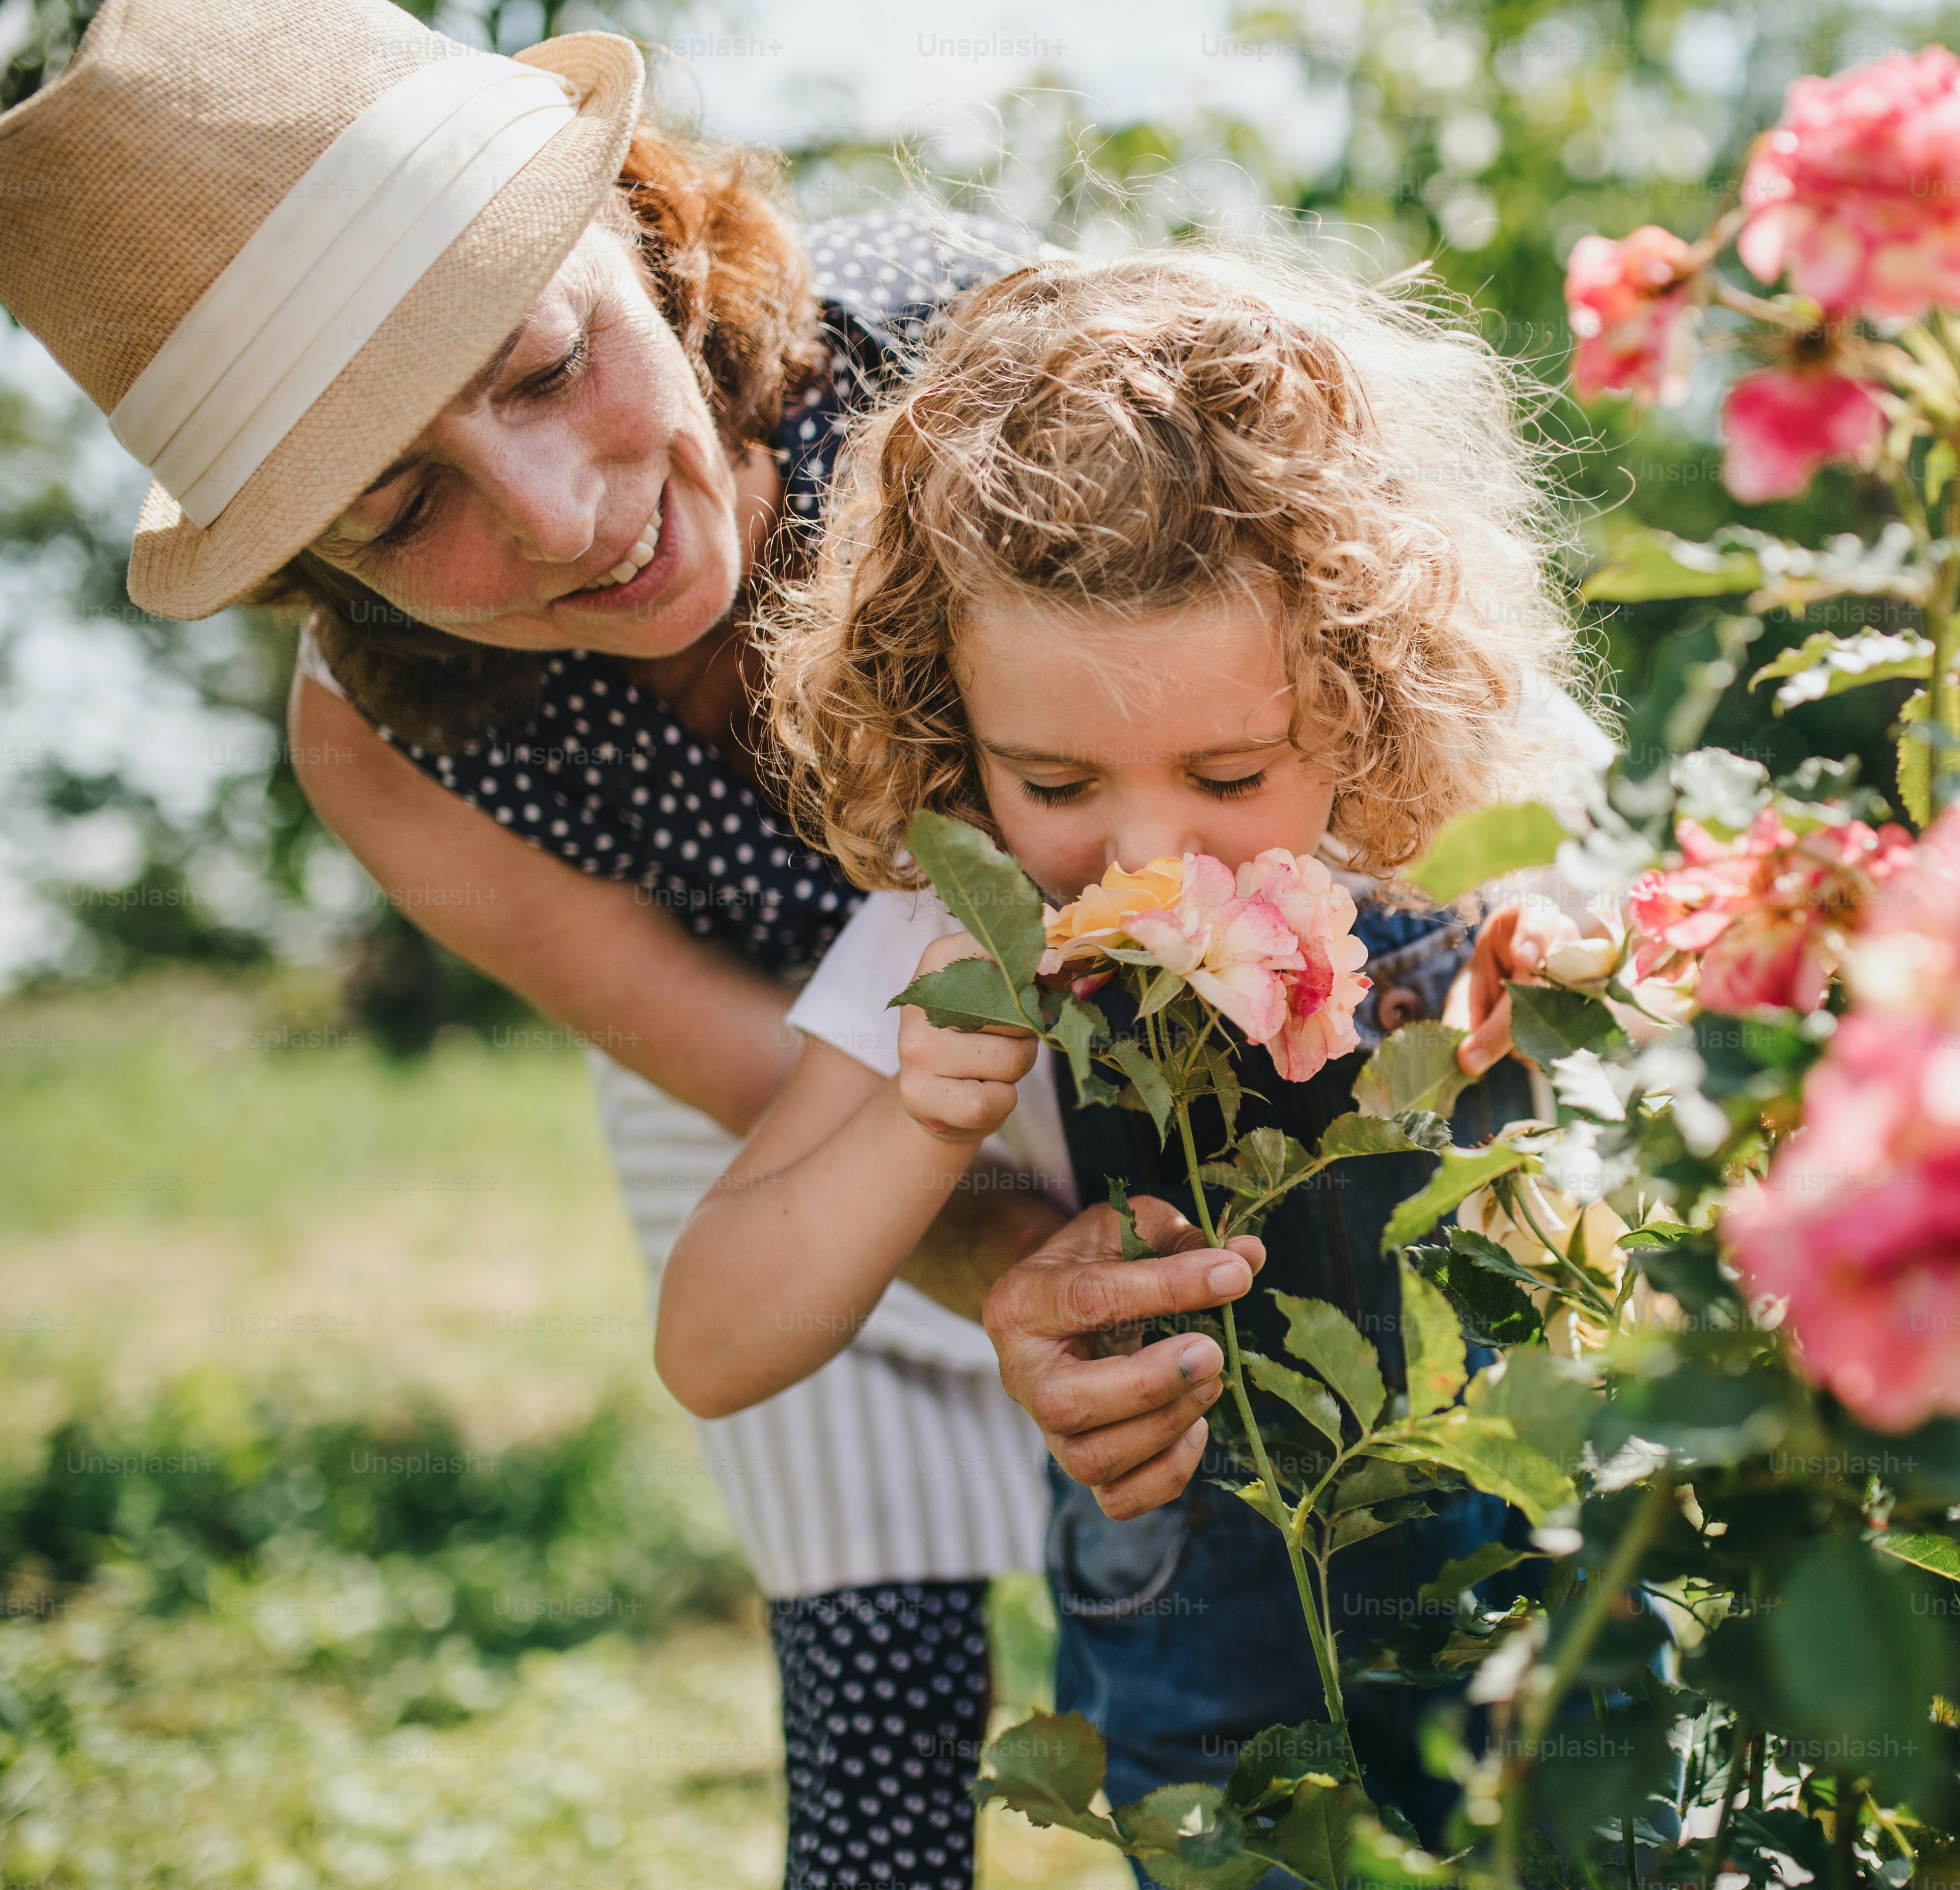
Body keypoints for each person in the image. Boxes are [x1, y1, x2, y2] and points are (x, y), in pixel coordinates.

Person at [0, 4, 1230, 1883]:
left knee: (1250, 1603)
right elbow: (747, 1077)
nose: (568, 520)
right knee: (875, 1699)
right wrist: (1005, 1272)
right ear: (326, 573)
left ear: (645, 232)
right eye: (405, 514)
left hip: (1155, 983)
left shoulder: (991, 372)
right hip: (774, 1085)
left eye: (548, 363)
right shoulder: (388, 741)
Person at [652, 241, 1605, 1831]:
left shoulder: (1455, 826)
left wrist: (1580, 990)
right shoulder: (957, 926)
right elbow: (715, 1336)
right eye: (1056, 784)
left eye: (1229, 781)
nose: (1144, 853)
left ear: (1363, 679)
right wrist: (919, 1116)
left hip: (1527, 1569)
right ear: (954, 726)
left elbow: (1699, 1058)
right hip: (1191, 1612)